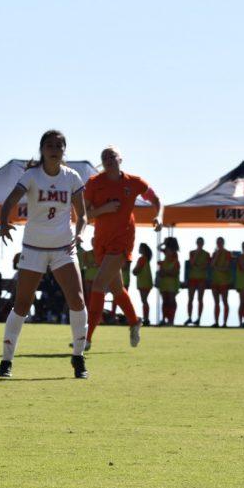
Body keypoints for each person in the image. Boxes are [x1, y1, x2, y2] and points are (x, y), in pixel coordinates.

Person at [0, 130, 88, 379]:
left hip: (63, 248)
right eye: (49, 145)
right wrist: (4, 223)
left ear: (64, 150)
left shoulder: (72, 177)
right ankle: (6, 361)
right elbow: (9, 202)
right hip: (34, 248)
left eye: (59, 145)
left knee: (77, 300)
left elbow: (83, 215)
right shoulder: (32, 175)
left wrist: (79, 234)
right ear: (42, 149)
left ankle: (79, 358)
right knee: (22, 304)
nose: (54, 149)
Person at [82, 146, 162, 349]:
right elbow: (84, 215)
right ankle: (135, 321)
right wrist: (104, 209)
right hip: (101, 240)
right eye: (104, 157)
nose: (108, 159)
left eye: (112, 156)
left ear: (120, 159)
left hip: (122, 240)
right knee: (117, 288)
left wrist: (157, 215)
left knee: (98, 284)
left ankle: (86, 338)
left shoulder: (134, 182)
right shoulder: (94, 183)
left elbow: (155, 198)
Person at [184, 237, 211, 326]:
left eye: (201, 242)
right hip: (192, 278)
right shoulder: (192, 252)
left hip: (201, 279)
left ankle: (199, 318)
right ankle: (189, 317)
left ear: (203, 243)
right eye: (198, 242)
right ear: (196, 243)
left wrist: (199, 265)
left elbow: (206, 265)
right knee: (190, 299)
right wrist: (197, 255)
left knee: (200, 299)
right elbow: (191, 263)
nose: (199, 244)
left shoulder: (207, 254)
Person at [209, 237, 233, 327]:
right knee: (216, 303)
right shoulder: (215, 253)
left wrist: (217, 268)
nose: (219, 244)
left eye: (220, 242)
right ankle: (216, 322)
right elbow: (211, 265)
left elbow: (226, 268)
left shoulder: (227, 253)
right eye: (217, 242)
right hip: (215, 281)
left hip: (224, 282)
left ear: (223, 243)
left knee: (225, 302)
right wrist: (217, 255)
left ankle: (225, 323)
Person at [157, 237, 181, 325]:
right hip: (165, 281)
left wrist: (165, 271)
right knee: (165, 300)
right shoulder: (166, 250)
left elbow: (174, 267)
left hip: (172, 281)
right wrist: (163, 243)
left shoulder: (174, 253)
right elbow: (158, 248)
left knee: (171, 300)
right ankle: (164, 318)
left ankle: (171, 320)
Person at [133, 243, 154, 326]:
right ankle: (146, 318)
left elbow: (136, 270)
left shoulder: (142, 259)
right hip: (147, 282)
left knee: (144, 300)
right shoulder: (146, 259)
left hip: (143, 282)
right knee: (144, 300)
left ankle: (146, 318)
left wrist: (134, 271)